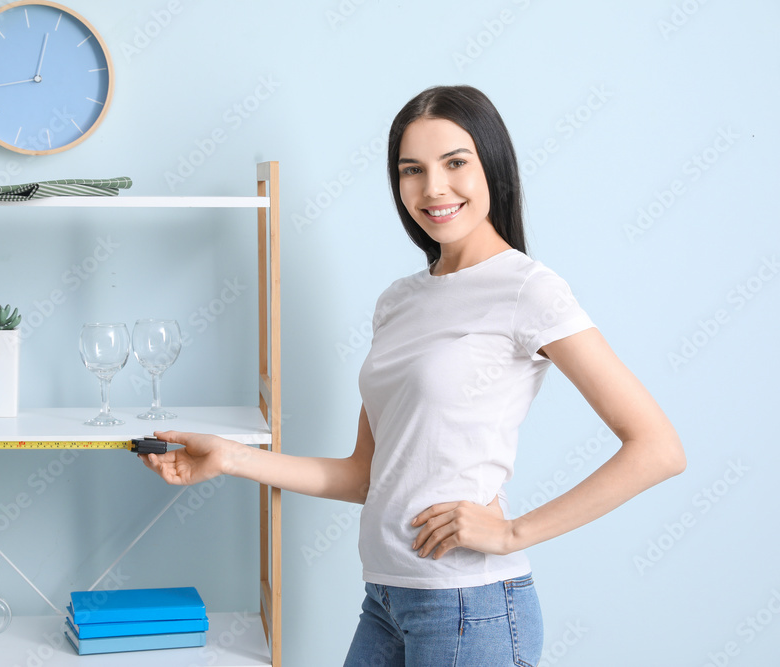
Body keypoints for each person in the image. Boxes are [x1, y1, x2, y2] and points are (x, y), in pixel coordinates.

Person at [138, 85, 686, 666]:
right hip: (386, 599)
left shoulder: (528, 290)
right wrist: (229, 456)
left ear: (492, 168)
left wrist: (511, 533)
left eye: (455, 163)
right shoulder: (398, 301)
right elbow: (362, 477)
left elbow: (658, 449)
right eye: (412, 170)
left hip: (471, 607)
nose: (433, 189)